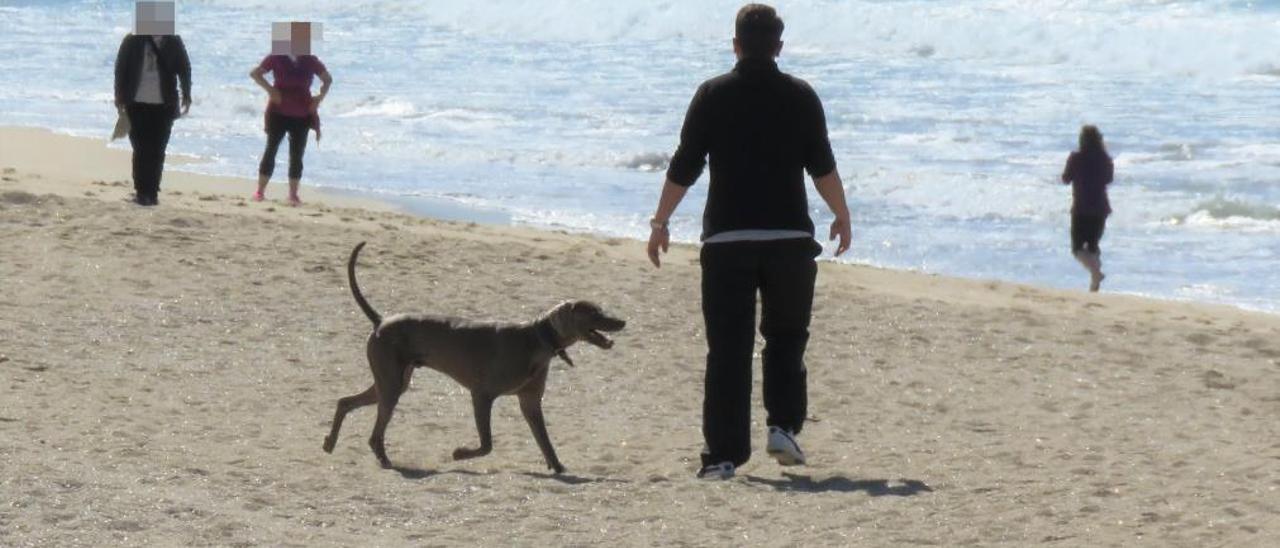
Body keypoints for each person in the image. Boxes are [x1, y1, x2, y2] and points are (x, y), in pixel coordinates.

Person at [646, 4, 852, 480]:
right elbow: (821, 165)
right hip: (789, 242)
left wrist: (660, 221)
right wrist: (841, 214)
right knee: (785, 339)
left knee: (728, 350)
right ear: (779, 47)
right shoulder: (801, 96)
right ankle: (782, 427)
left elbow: (685, 165)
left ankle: (722, 457)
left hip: (727, 241)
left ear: (735, 44)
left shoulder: (712, 94)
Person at [113, 1, 192, 207]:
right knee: (140, 148)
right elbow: (121, 70)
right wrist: (119, 98)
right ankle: (141, 191)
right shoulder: (132, 41)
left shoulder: (174, 42)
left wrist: (187, 94)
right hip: (136, 102)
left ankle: (152, 192)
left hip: (163, 105)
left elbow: (184, 69)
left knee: (157, 149)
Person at [250, 21, 332, 206]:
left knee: (297, 155)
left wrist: (319, 98)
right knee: (271, 150)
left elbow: (327, 79)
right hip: (278, 112)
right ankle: (260, 192)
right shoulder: (277, 56)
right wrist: (271, 90)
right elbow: (255, 73)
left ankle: (293, 195)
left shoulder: (310, 59)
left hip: (302, 114)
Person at [1060, 125, 1114, 292]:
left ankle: (1095, 273)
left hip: (1081, 208)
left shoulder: (1076, 158)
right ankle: (1094, 284)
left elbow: (1065, 179)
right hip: (1100, 208)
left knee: (1077, 248)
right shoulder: (1105, 159)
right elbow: (1108, 180)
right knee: (1092, 246)